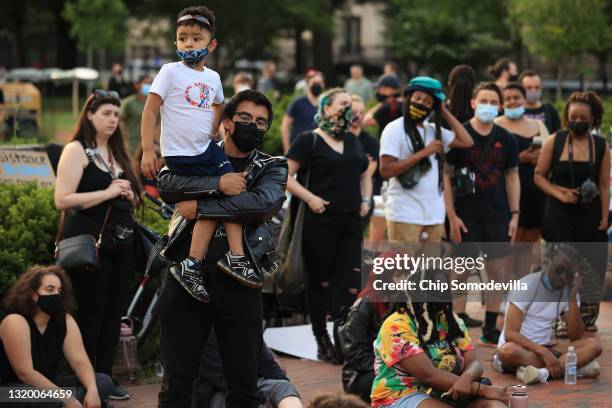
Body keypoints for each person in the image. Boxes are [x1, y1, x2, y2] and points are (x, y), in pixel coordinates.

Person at [155, 89, 288, 408]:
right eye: (244, 117)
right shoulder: (194, 154)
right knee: (176, 386)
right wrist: (218, 185)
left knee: (243, 386)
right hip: (185, 278)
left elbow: (259, 206)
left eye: (260, 122)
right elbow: (166, 185)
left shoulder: (273, 167)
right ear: (226, 122)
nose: (252, 125)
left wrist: (198, 205)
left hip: (241, 283)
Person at [141, 7, 257, 301]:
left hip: (204, 148)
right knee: (215, 197)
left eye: (196, 37)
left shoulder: (214, 78)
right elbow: (150, 110)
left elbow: (218, 105)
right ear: (176, 42)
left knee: (234, 188)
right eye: (182, 38)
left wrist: (214, 128)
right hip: (181, 155)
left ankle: (236, 256)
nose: (189, 44)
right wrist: (147, 150)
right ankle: (193, 263)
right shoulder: (170, 71)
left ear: (211, 43)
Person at [54, 89, 141, 401]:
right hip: (90, 243)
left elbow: (128, 195)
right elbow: (62, 199)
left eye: (116, 115)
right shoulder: (76, 150)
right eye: (106, 113)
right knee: (92, 312)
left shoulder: (116, 153)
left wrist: (129, 194)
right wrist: (107, 192)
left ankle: (105, 378)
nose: (113, 120)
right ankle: (86, 380)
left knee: (113, 313)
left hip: (121, 244)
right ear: (89, 115)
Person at [286, 88, 369, 364]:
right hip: (319, 221)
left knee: (347, 282)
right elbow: (285, 175)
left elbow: (364, 173)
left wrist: (365, 198)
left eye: (352, 105)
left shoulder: (353, 140)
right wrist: (310, 199)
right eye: (343, 104)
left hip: (351, 222)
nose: (350, 110)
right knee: (319, 282)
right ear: (327, 108)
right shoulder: (308, 140)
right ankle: (321, 338)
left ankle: (341, 337)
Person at [445, 82, 520, 347]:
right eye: (484, 100)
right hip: (466, 215)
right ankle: (456, 324)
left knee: (498, 272)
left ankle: (490, 326)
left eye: (493, 102)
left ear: (498, 106)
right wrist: (451, 215)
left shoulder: (506, 139)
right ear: (474, 102)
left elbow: (512, 177)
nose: (488, 105)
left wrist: (514, 214)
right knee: (461, 272)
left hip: (497, 214)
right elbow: (447, 175)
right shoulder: (458, 135)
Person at [534, 90, 609, 331]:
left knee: (593, 268)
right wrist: (560, 193)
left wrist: (605, 217)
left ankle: (586, 319)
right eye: (573, 116)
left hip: (590, 214)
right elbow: (539, 176)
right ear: (567, 117)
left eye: (582, 117)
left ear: (593, 118)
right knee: (558, 266)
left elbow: (604, 183)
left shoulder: (600, 145)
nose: (577, 121)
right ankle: (555, 318)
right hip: (559, 214)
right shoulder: (555, 141)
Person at [371, 277, 509, 408]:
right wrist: (482, 390)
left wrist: (466, 378)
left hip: (450, 392)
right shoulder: (397, 326)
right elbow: (429, 375)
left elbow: (474, 362)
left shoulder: (449, 319)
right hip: (403, 394)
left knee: (496, 405)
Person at [0, 265, 112, 408]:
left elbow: (80, 361)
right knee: (42, 399)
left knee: (103, 382)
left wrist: (92, 390)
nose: (57, 295)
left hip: (51, 387)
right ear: (33, 295)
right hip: (13, 391)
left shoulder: (65, 321)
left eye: (59, 291)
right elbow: (25, 374)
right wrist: (67, 399)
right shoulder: (15, 321)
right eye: (50, 289)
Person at [379, 76, 473, 244]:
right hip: (404, 215)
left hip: (434, 217)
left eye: (429, 102)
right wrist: (423, 153)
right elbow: (386, 170)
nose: (422, 104)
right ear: (409, 99)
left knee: (429, 270)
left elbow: (467, 141)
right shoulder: (394, 129)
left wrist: (443, 110)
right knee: (405, 270)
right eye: (418, 98)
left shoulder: (433, 130)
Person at [495, 244, 603, 384]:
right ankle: (570, 368)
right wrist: (543, 353)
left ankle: (542, 373)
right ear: (549, 262)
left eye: (569, 274)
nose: (563, 277)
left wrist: (571, 299)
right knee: (507, 352)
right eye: (559, 269)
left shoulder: (569, 291)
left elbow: (575, 336)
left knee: (594, 346)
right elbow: (510, 334)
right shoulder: (527, 285)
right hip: (520, 347)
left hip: (546, 348)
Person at [494, 83, 549, 277]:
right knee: (511, 244)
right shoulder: (496, 125)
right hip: (509, 194)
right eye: (507, 98)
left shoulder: (538, 126)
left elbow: (551, 156)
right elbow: (491, 162)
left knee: (527, 246)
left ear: (523, 99)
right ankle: (506, 292)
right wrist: (521, 158)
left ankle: (522, 289)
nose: (512, 101)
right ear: (502, 103)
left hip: (536, 194)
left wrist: (541, 157)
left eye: (516, 97)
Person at [192, 329, 302, 408]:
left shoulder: (245, 322)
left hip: (250, 382)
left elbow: (267, 362)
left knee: (284, 386)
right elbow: (223, 379)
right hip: (217, 392)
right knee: (248, 402)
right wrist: (261, 398)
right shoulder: (202, 332)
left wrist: (285, 383)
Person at [338, 260, 393, 404]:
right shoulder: (364, 306)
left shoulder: (398, 302)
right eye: (397, 275)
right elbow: (355, 353)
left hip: (388, 366)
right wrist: (388, 367)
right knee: (400, 382)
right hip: (360, 374)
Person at [348, 94, 378, 233]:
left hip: (361, 195)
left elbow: (368, 173)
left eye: (361, 113)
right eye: (354, 113)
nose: (358, 116)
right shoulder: (335, 139)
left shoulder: (370, 142)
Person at [281, 70, 324, 152]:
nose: (318, 85)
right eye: (314, 83)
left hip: (319, 150)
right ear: (308, 84)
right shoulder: (297, 103)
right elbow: (285, 126)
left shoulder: (326, 105)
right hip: (298, 150)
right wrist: (287, 149)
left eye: (320, 82)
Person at [120, 74, 153, 153]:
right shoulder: (128, 103)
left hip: (149, 148)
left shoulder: (154, 104)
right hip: (131, 147)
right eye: (146, 83)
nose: (149, 85)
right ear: (137, 85)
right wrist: (123, 142)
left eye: (150, 83)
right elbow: (120, 123)